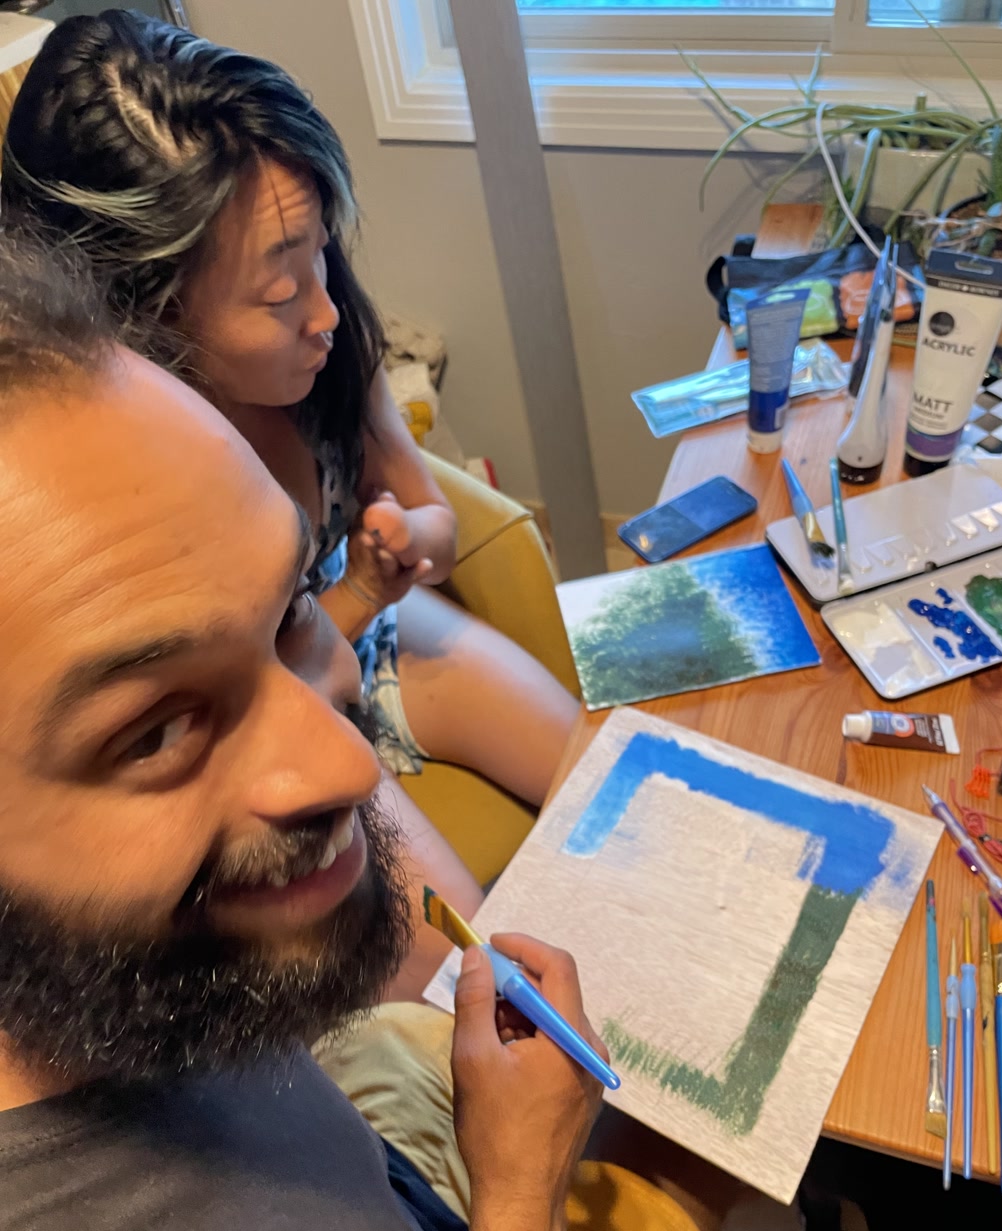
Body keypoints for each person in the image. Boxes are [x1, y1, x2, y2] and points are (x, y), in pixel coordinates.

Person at [0, 228, 717, 1231]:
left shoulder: (114, 980)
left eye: (289, 603)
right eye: (158, 725)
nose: (348, 766)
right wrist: (523, 1194)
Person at [0, 9, 580, 998]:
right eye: (276, 294)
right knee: (474, 976)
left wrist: (410, 547)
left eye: (318, 252)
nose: (322, 309)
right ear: (144, 309)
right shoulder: (113, 472)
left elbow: (423, 506)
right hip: (275, 712)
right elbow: (259, 694)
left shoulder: (330, 338)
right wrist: (342, 604)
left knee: (603, 775)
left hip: (379, 634)